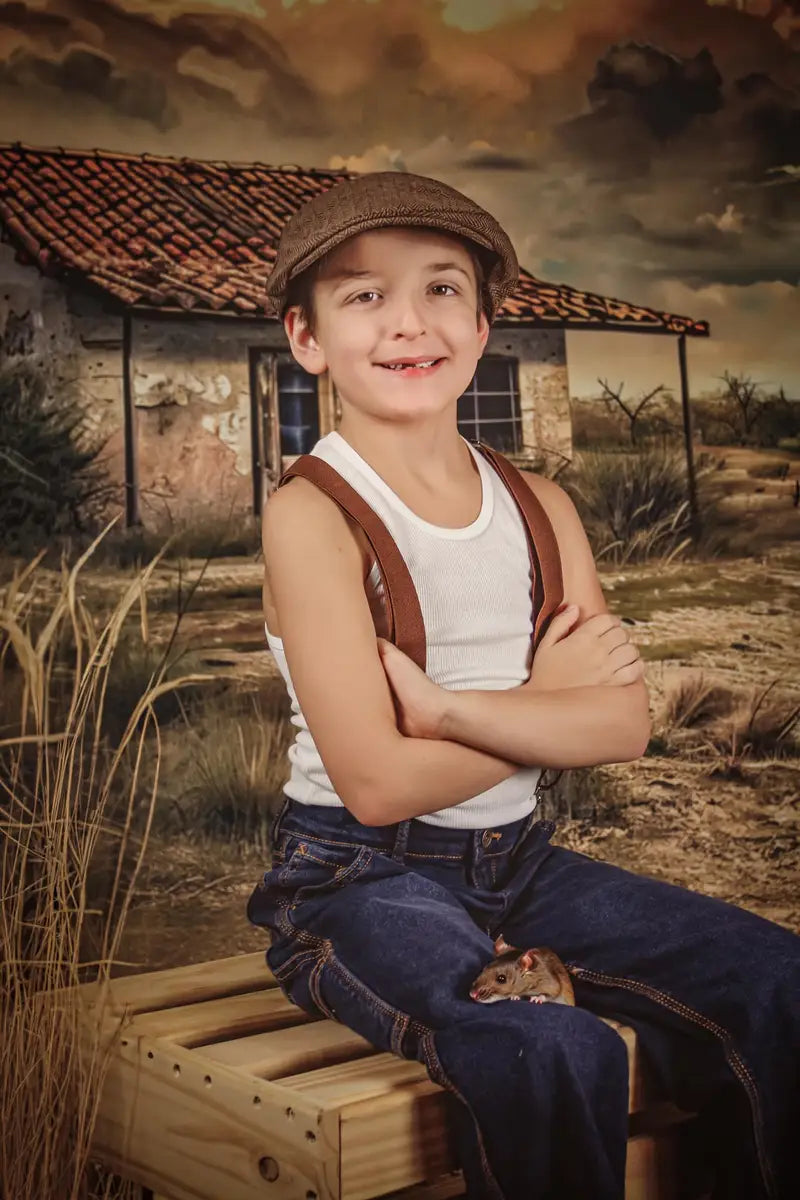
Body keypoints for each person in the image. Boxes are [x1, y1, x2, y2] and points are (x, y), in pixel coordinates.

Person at [246, 171, 799, 1200]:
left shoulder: (539, 505)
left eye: (442, 288)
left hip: (518, 861)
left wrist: (454, 710)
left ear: (486, 319)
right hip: (353, 880)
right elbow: (373, 781)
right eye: (363, 296)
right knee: (550, 1049)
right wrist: (549, 708)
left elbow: (621, 724)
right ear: (307, 338)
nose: (408, 321)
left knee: (776, 983)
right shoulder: (312, 515)